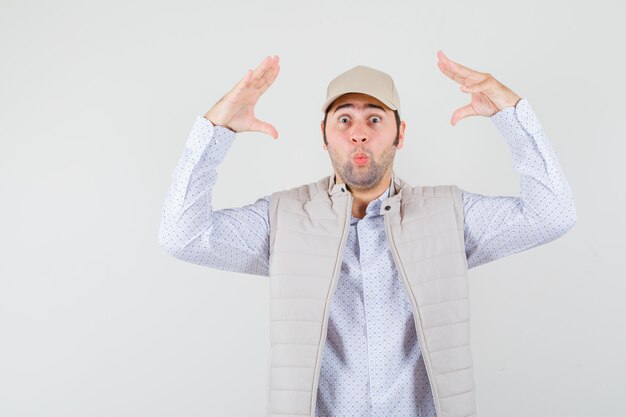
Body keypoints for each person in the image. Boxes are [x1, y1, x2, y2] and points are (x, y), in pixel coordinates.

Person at [158, 51, 576, 417]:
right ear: (324, 136)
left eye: (374, 118)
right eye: (344, 119)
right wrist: (216, 132)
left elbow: (552, 216)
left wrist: (512, 116)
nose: (359, 132)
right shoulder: (283, 218)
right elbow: (182, 236)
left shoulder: (448, 214)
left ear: (401, 133)